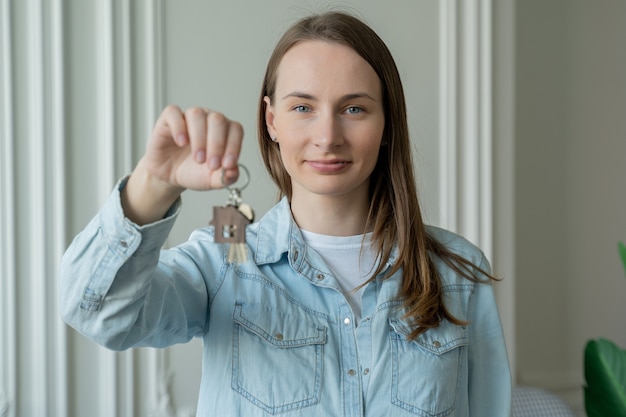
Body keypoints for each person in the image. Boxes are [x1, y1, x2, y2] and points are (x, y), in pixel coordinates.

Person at [60, 11, 511, 417]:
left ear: (388, 122)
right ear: (271, 120)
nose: (327, 136)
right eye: (302, 107)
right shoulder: (226, 251)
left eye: (354, 109)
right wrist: (152, 186)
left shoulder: (459, 270)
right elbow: (96, 313)